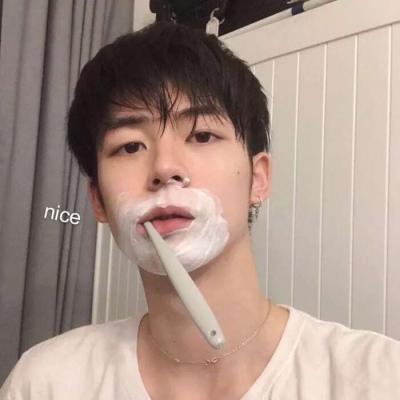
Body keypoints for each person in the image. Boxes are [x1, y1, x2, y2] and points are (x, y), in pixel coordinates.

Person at [1, 22, 399, 400]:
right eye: (130, 146)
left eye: (202, 135)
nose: (164, 168)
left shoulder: (379, 378)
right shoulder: (46, 383)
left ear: (258, 179)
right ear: (98, 201)